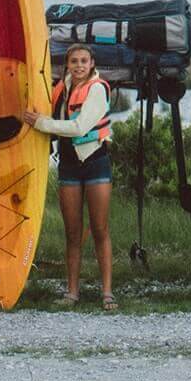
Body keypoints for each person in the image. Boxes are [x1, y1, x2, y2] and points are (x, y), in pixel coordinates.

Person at [21, 44, 115, 310]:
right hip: (69, 165)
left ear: (92, 63)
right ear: (68, 64)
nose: (79, 65)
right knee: (72, 234)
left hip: (96, 162)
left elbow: (79, 127)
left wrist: (40, 123)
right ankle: (72, 293)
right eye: (74, 61)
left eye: (84, 61)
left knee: (99, 229)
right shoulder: (61, 87)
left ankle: (107, 292)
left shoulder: (97, 89)